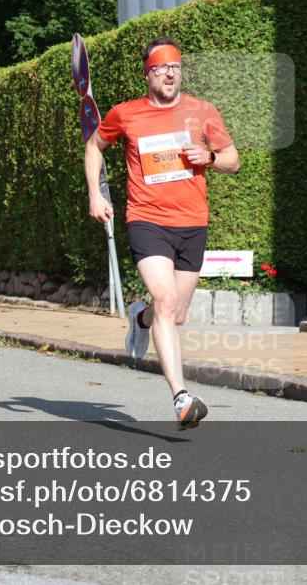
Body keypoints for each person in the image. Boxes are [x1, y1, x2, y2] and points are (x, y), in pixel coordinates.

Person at [84, 37, 239, 430]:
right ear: (148, 73)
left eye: (176, 67)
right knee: (166, 298)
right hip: (147, 220)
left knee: (175, 313)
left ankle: (141, 318)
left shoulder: (203, 112)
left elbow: (233, 160)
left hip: (192, 223)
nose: (170, 73)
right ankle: (181, 398)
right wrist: (95, 195)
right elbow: (94, 146)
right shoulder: (127, 114)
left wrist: (212, 158)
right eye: (161, 67)